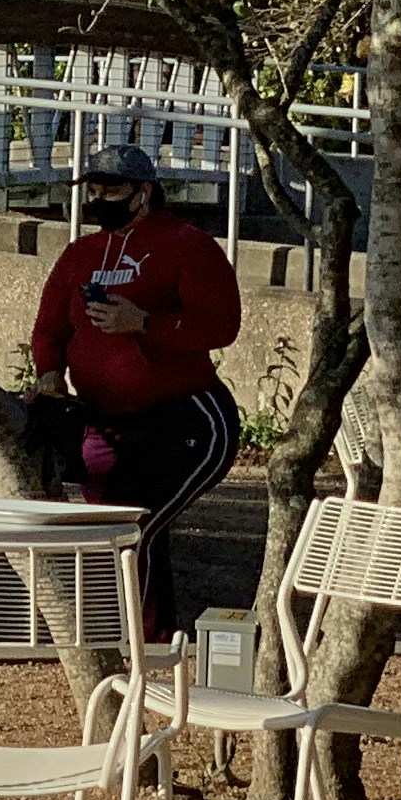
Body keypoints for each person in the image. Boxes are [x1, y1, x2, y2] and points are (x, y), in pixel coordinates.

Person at [24, 142, 242, 632]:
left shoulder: (187, 245)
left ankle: (124, 640)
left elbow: (222, 326)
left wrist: (144, 322)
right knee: (122, 532)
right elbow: (49, 329)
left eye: (112, 189)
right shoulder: (81, 254)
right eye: (93, 189)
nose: (100, 198)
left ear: (144, 192)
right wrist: (50, 373)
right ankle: (152, 639)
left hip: (184, 418)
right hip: (103, 424)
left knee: (130, 530)